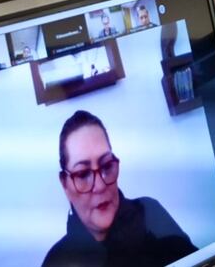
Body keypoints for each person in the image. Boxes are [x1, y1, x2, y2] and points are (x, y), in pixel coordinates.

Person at [42, 111, 196, 266]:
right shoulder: (56, 262)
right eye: (83, 174)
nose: (100, 186)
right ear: (65, 184)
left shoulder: (149, 212)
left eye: (107, 165)